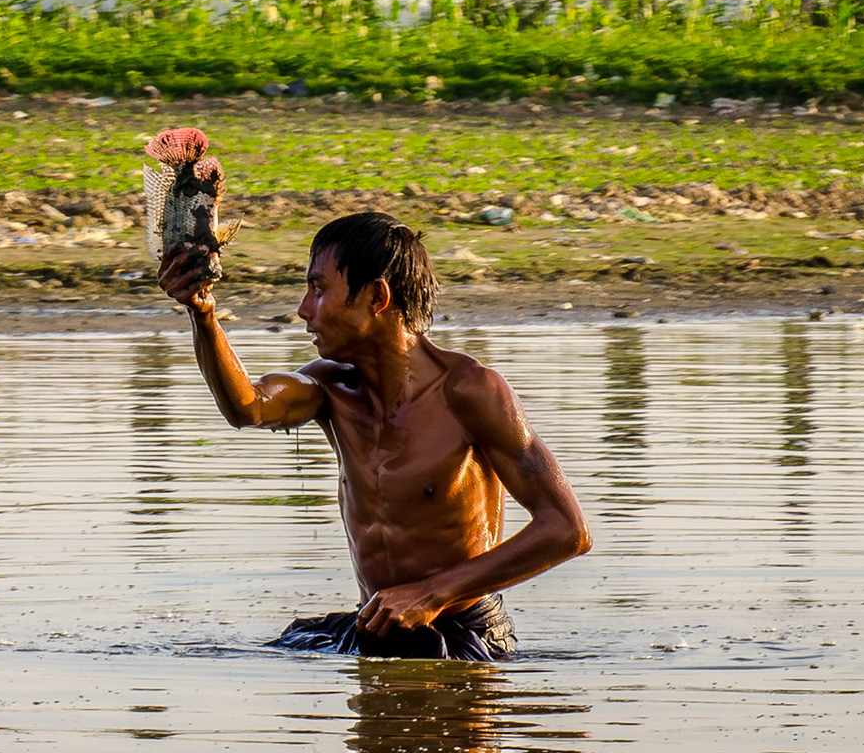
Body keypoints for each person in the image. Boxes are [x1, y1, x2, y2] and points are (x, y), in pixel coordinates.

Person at [158, 211, 592, 660]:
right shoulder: (329, 386)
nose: (304, 310)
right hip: (378, 621)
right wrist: (202, 312)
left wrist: (431, 594)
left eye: (319, 289)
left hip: (465, 630)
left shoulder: (470, 391)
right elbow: (248, 407)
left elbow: (567, 530)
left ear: (377, 296)